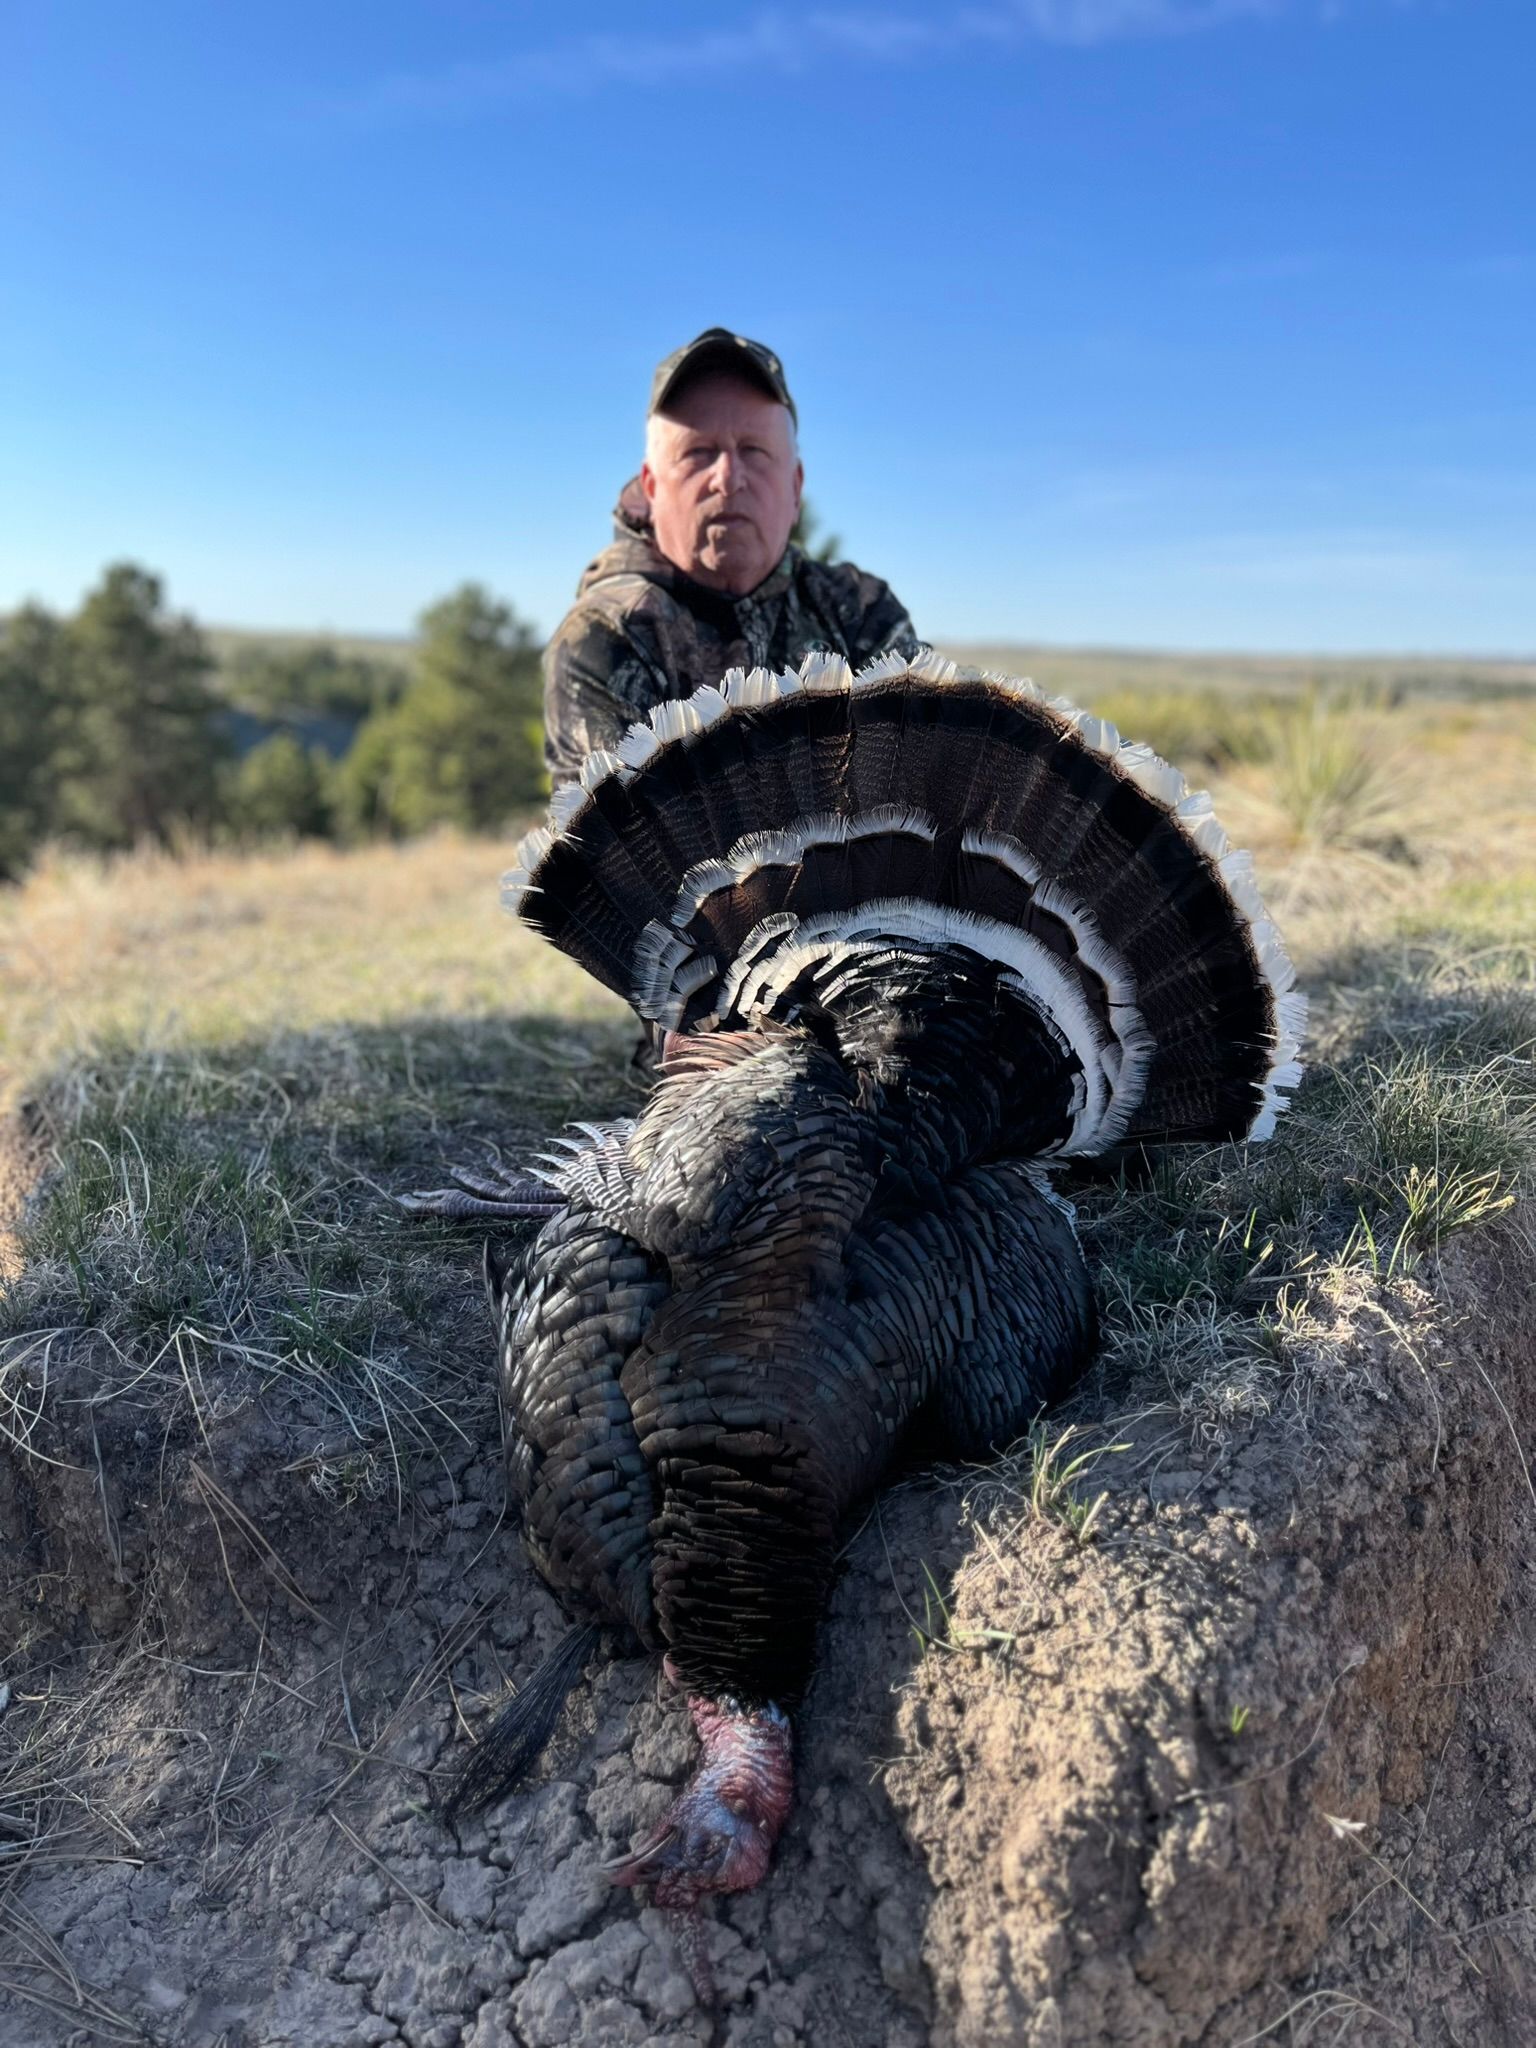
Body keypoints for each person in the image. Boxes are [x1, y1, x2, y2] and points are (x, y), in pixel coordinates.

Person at [543, 328, 921, 785]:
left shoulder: (860, 613)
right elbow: (629, 848)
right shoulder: (608, 636)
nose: (728, 478)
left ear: (796, 487)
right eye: (698, 453)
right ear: (651, 487)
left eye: (754, 451)